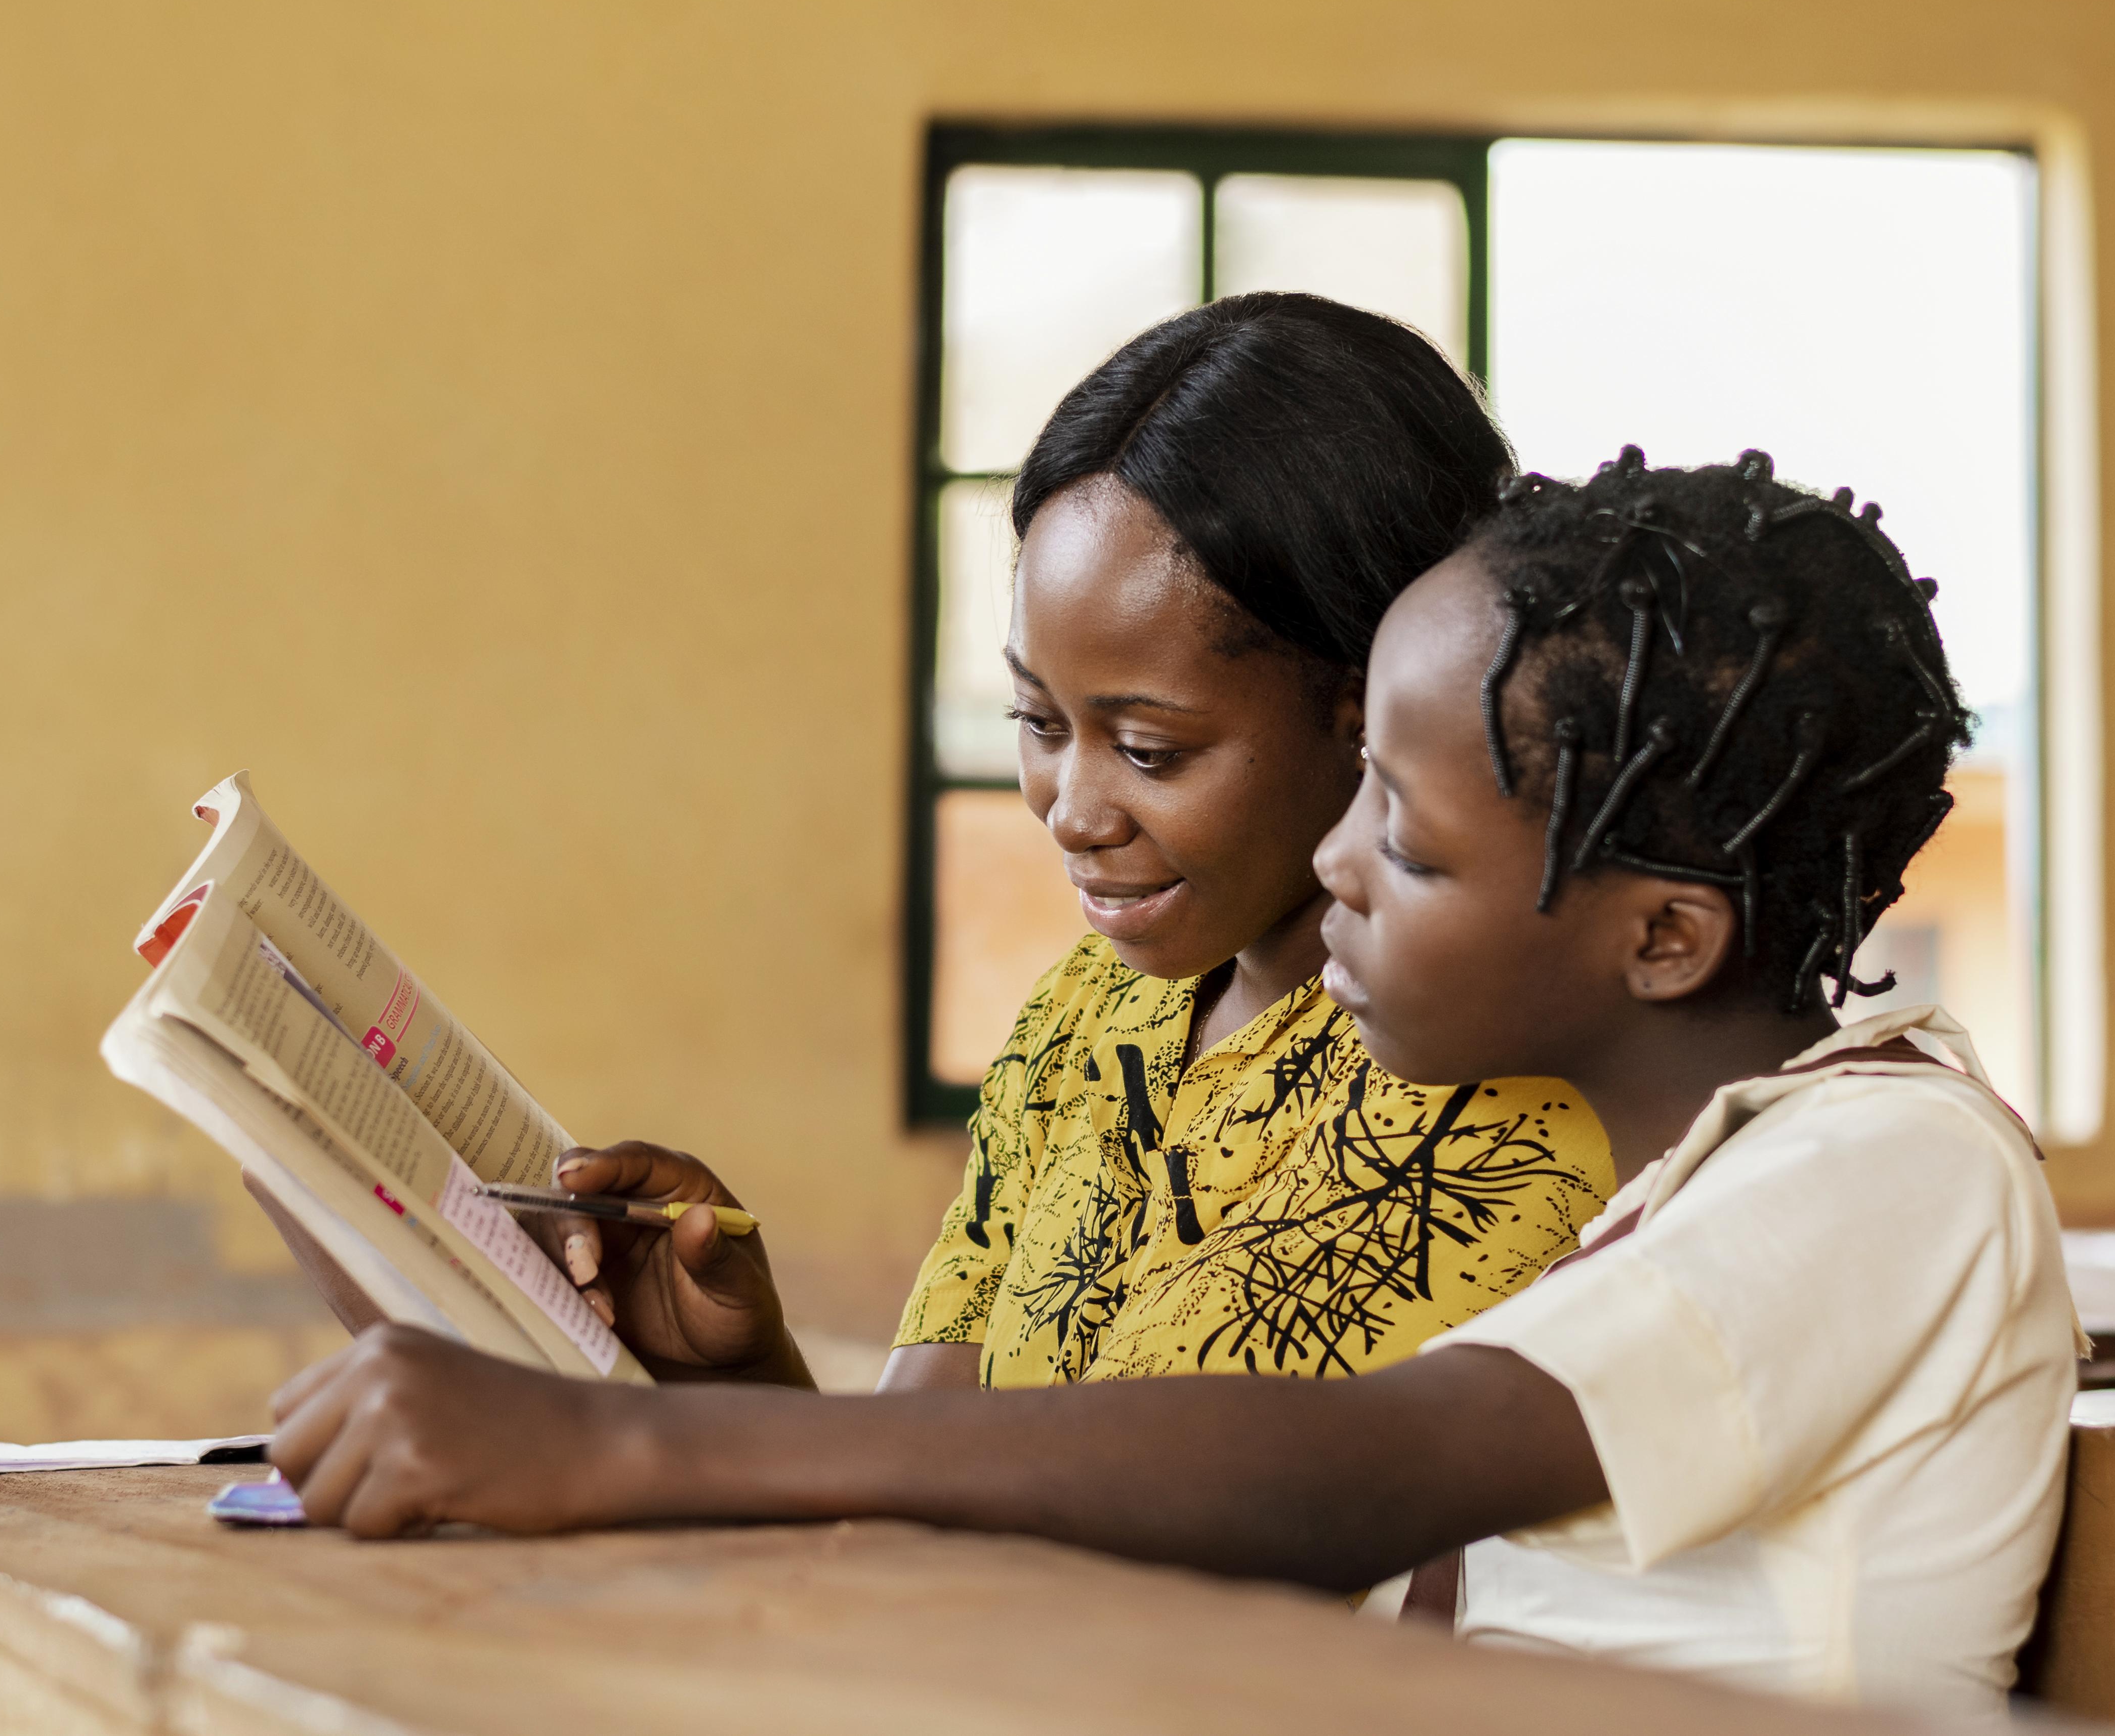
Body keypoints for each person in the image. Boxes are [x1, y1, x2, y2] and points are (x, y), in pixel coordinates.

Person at [267, 450, 2083, 1716]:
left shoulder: (1895, 1168)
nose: (1340, 864)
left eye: (1408, 837)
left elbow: (1369, 1466)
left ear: (1664, 939)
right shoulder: (1687, 1192)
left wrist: (617, 1446)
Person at [255, 292, 1615, 1395]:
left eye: (1150, 750)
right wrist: (741, 1372)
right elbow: (917, 1485)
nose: (1071, 808)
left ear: (1375, 702)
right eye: (1039, 721)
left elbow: (1165, 1554)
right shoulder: (1089, 1022)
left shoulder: (1499, 1079)